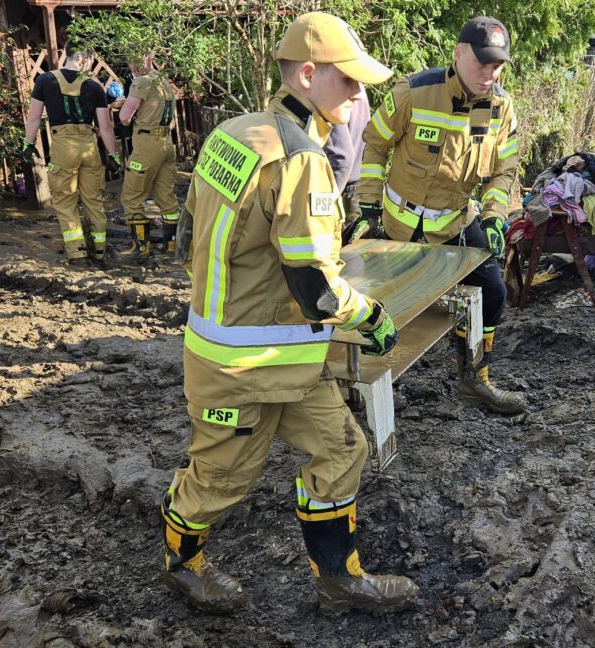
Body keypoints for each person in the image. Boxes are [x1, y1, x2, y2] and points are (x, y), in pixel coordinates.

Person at [160, 12, 418, 615]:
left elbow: (188, 237)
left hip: (278, 357)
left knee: (342, 449)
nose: (359, 95)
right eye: (348, 81)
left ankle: (339, 579)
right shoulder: (303, 159)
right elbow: (319, 293)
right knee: (220, 480)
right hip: (242, 367)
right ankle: (181, 564)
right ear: (307, 74)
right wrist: (373, 319)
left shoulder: (235, 132)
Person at [353, 16, 525, 414]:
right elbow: (375, 144)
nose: (490, 73)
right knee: (383, 303)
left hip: (457, 223)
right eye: (483, 62)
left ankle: (474, 378)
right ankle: (362, 383)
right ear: (458, 54)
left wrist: (496, 213)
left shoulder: (499, 106)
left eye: (498, 65)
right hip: (399, 225)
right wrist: (367, 204)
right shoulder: (413, 92)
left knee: (493, 293)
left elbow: (504, 169)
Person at [22, 45, 121, 267]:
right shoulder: (94, 87)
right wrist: (114, 156)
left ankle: (77, 254)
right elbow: (105, 127)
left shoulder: (45, 81)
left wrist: (27, 144)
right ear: (85, 59)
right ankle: (99, 251)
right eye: (91, 62)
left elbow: (34, 118)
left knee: (66, 201)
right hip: (89, 147)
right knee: (93, 200)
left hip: (63, 146)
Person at [117, 54, 180, 262]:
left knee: (131, 197)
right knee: (166, 198)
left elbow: (125, 116)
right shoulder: (163, 81)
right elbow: (172, 119)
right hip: (166, 144)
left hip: (147, 145)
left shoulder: (142, 81)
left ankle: (140, 248)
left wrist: (125, 117)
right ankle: (172, 246)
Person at [323, 95, 371, 241]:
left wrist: (326, 202)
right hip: (358, 185)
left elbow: (342, 158)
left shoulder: (334, 92)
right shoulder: (357, 89)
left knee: (343, 253)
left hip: (344, 188)